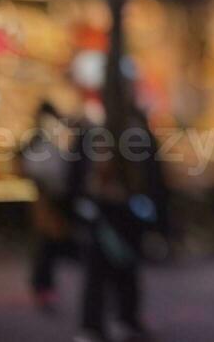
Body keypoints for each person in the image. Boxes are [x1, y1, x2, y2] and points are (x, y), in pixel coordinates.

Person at [73, 118, 150, 342]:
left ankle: (118, 320)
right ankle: (101, 324)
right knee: (101, 276)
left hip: (116, 220)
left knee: (120, 273)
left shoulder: (122, 143)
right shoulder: (105, 141)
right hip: (105, 221)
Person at [20, 103, 78, 311]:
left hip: (50, 200)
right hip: (46, 201)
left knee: (47, 245)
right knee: (45, 245)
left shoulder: (49, 142)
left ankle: (43, 286)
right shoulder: (41, 142)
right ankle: (42, 286)